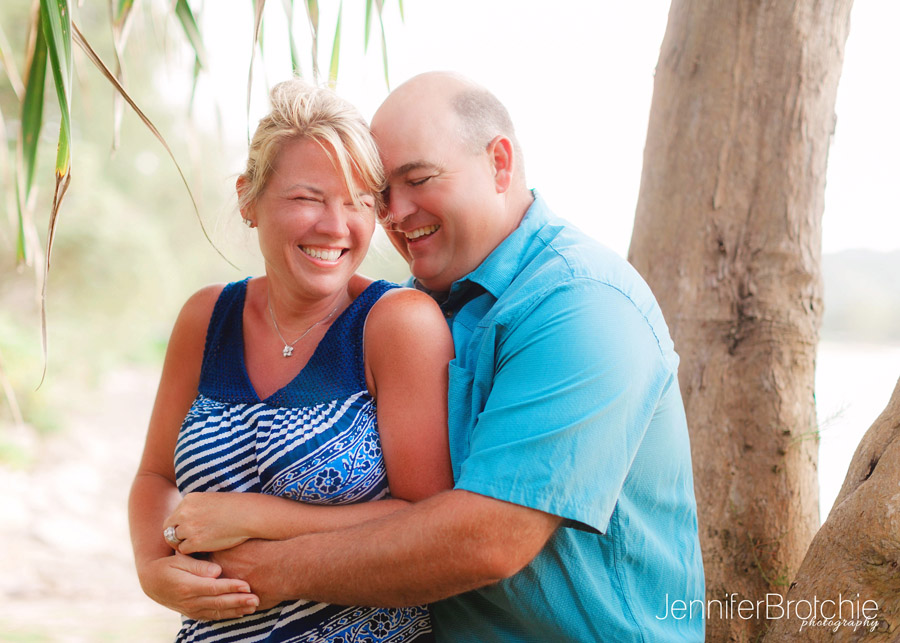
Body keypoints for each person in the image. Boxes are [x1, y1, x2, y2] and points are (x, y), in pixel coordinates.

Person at [213, 71, 706, 641]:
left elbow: (490, 539)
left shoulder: (584, 304)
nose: (393, 213)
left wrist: (259, 573)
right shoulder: (412, 308)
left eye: (417, 179)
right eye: (381, 193)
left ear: (499, 164)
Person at [128, 78, 454, 642]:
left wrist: (253, 516)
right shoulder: (206, 318)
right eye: (308, 197)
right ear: (248, 198)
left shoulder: (398, 323)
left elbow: (426, 520)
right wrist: (153, 568)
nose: (335, 225)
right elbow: (155, 475)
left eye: (357, 201)